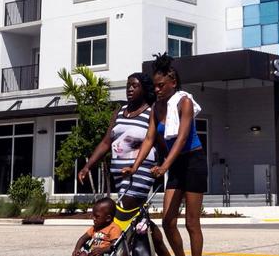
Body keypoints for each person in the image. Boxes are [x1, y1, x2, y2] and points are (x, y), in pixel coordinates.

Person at [80, 73, 168, 256]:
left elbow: (160, 143)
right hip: (120, 174)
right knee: (140, 220)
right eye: (128, 85)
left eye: (134, 86)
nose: (129, 89)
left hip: (141, 172)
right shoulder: (119, 112)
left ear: (144, 89)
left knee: (124, 213)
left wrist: (163, 166)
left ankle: (108, 247)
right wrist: (88, 165)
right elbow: (106, 142)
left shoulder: (151, 112)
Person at [150, 54, 206, 256]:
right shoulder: (156, 108)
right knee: (168, 221)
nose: (157, 90)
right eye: (155, 86)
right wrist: (136, 165)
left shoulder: (185, 103)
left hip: (193, 161)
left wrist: (164, 166)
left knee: (191, 223)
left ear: (173, 83)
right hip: (176, 165)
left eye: (161, 85)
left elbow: (182, 139)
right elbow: (150, 139)